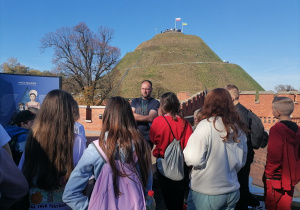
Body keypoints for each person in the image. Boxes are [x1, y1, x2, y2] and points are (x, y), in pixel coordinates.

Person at [63, 96, 153, 209]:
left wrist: (90, 207)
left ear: (106, 117)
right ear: (130, 117)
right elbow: (147, 188)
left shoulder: (94, 149)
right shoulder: (143, 146)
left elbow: (70, 194)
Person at [19, 89, 86, 210]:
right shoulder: (77, 140)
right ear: (67, 112)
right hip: (66, 205)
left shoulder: (33, 138)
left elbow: (22, 171)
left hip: (35, 205)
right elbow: (82, 176)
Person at [183, 88, 248, 210]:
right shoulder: (237, 127)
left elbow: (193, 159)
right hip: (231, 190)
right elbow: (241, 161)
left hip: (207, 192)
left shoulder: (205, 126)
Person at [150, 92, 193, 210]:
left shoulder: (158, 121)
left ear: (163, 105)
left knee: (166, 200)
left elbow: (153, 139)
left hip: (163, 165)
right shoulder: (186, 123)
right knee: (178, 201)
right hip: (181, 166)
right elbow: (189, 145)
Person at [225, 84, 260, 209]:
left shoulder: (238, 112)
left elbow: (241, 138)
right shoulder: (241, 110)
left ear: (233, 97)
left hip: (242, 155)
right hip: (244, 154)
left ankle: (242, 206)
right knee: (242, 183)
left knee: (241, 184)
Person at [264, 97, 300, 210]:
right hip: (290, 178)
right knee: (285, 207)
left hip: (276, 179)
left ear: (277, 112)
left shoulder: (276, 129)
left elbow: (274, 157)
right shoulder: (298, 129)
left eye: (273, 109)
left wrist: (268, 174)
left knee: (272, 207)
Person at [131, 80, 160, 149]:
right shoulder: (135, 101)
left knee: (145, 158)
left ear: (151, 90)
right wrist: (146, 118)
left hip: (147, 137)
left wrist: (136, 116)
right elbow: (130, 115)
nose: (145, 91)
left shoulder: (155, 103)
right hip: (134, 135)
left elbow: (151, 118)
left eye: (147, 89)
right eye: (143, 89)